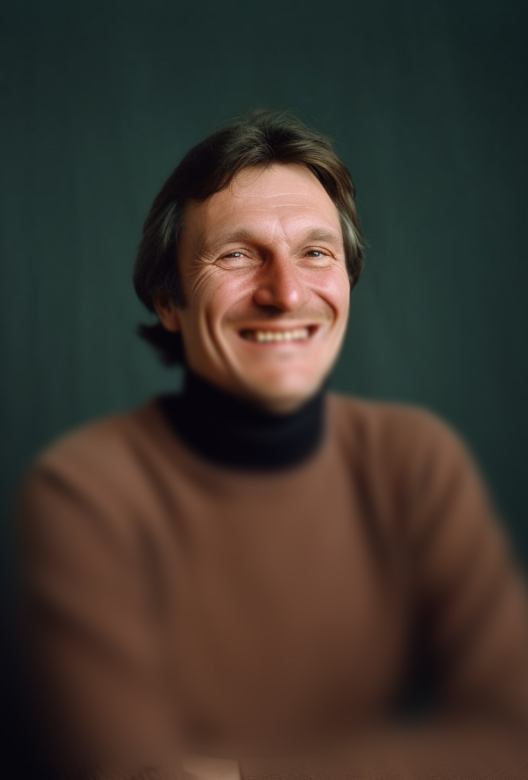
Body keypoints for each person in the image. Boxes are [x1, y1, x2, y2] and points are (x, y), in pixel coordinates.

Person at [15, 111, 528, 780]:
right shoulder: (86, 489)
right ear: (168, 300)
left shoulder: (415, 461)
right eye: (237, 254)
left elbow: (515, 740)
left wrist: (235, 774)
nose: (286, 293)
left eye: (316, 252)